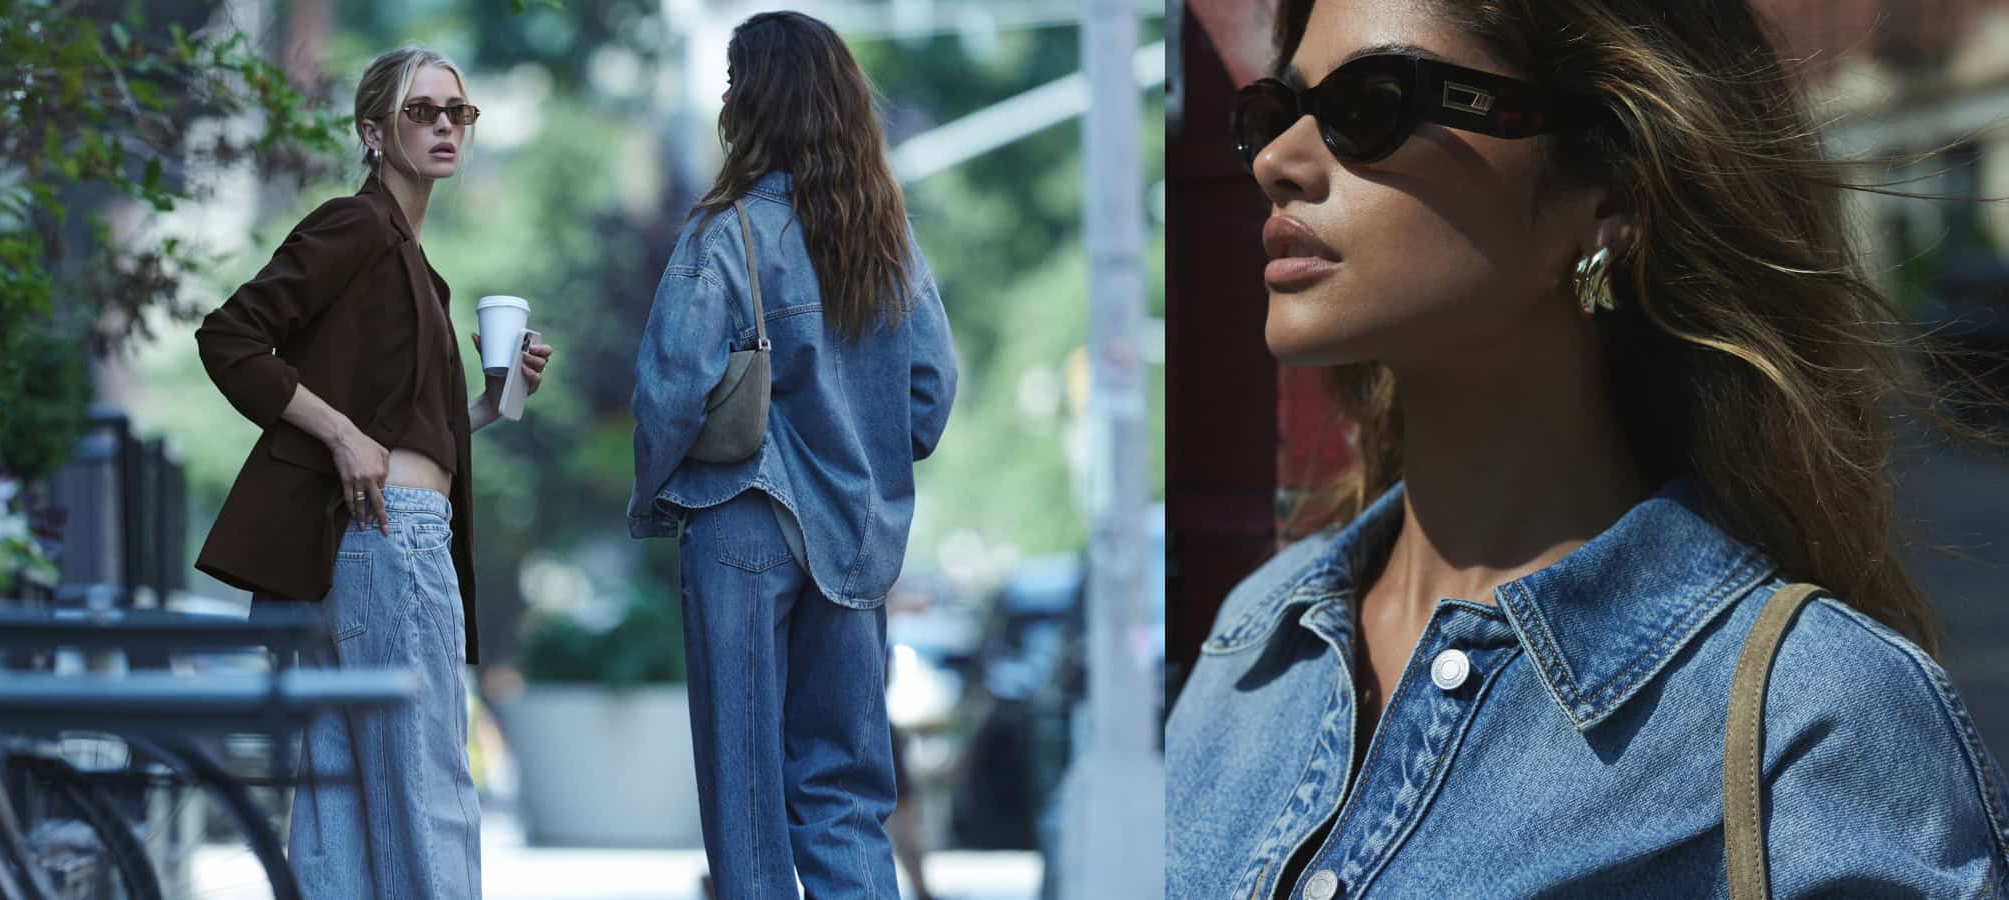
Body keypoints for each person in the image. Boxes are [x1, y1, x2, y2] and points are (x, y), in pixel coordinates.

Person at [1167, 0, 2009, 895]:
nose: (1276, 162)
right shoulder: (1252, 645)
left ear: (1607, 189)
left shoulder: (1811, 730)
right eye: (1273, 114)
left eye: (1373, 105)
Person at [192, 45, 551, 900]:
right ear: (372, 131)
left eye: (457, 113)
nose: (443, 127)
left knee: (340, 806)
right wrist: (341, 434)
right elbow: (229, 337)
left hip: (354, 544)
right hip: (387, 545)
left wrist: (496, 404)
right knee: (427, 793)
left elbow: (408, 441)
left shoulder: (419, 269)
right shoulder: (356, 227)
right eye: (420, 111)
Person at [630, 11, 959, 899]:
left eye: (737, 82)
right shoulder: (889, 245)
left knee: (745, 803)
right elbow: (931, 394)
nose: (726, 99)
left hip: (740, 519)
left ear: (762, 101)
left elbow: (669, 393)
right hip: (852, 539)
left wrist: (654, 497)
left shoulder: (725, 235)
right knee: (846, 794)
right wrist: (868, 448)